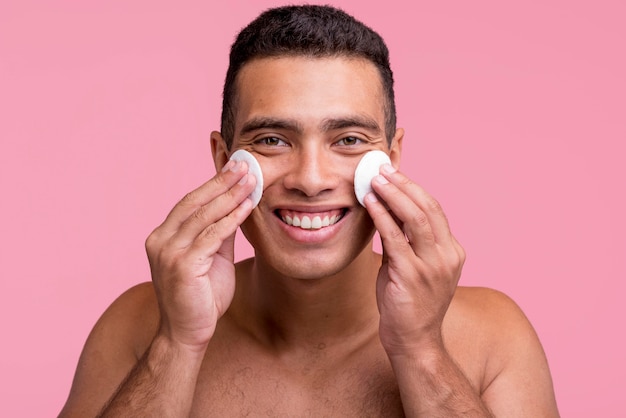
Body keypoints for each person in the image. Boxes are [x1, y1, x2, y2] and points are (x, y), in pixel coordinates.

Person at [59, 5, 559, 417]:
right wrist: (176, 345)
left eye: (348, 140)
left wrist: (422, 352)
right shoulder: (138, 326)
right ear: (222, 158)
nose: (311, 179)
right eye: (273, 140)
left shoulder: (494, 336)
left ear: (393, 157)